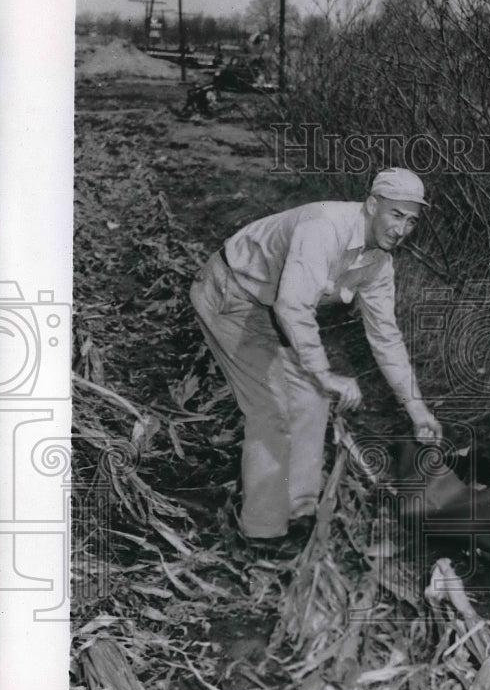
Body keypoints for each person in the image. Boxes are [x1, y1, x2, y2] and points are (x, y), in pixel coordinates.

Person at [190, 168, 443, 545]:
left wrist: (417, 408)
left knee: (312, 400)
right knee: (270, 408)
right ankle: (262, 534)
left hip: (272, 311)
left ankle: (300, 513)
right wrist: (324, 372)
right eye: (395, 215)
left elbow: (385, 337)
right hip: (232, 297)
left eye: (411, 221)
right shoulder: (324, 228)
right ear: (373, 205)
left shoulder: (377, 263)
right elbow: (293, 307)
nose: (402, 229)